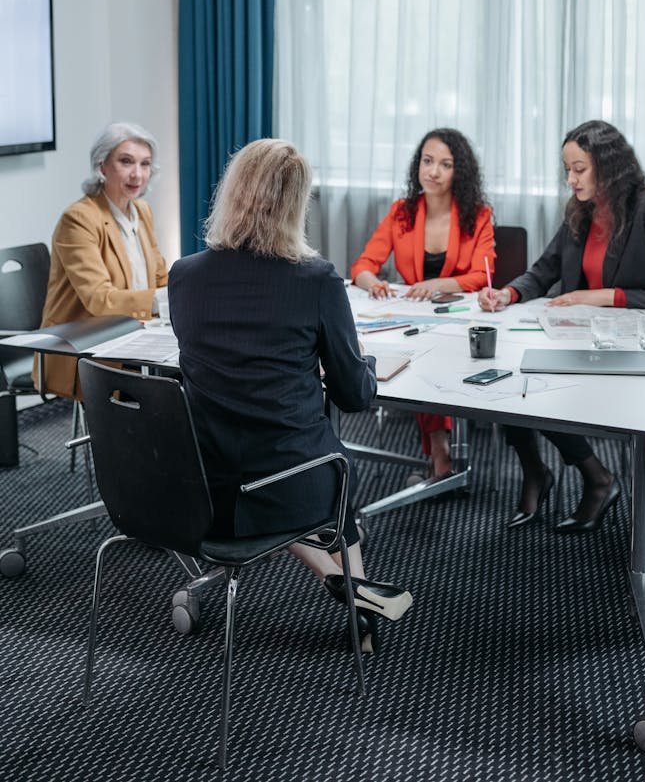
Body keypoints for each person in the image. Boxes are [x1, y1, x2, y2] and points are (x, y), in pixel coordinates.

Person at [168, 139, 413, 654]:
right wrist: (362, 362)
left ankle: (340, 585)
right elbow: (353, 397)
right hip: (292, 484)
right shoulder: (317, 280)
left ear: (231, 193)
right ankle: (361, 624)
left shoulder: (184, 276)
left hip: (201, 484)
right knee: (327, 477)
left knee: (269, 464)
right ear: (296, 204)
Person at [478, 119, 645, 534]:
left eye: (579, 169)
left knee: (537, 387)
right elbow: (543, 270)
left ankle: (594, 477)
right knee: (512, 382)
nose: (570, 179)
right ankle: (544, 472)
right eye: (567, 169)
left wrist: (604, 295)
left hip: (639, 350)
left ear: (608, 165)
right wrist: (507, 294)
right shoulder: (580, 210)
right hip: (587, 339)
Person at [351, 128, 495, 476]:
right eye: (427, 161)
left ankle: (440, 454)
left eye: (445, 165)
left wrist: (434, 284)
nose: (433, 171)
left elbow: (480, 275)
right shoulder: (402, 211)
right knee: (421, 357)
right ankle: (441, 451)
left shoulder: (478, 215)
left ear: (459, 171)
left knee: (436, 356)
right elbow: (363, 266)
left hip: (459, 316)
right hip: (414, 316)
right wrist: (373, 283)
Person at [37, 122, 169, 398]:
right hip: (85, 345)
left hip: (136, 333)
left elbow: (159, 276)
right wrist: (163, 298)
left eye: (145, 164)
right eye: (126, 162)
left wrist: (181, 292)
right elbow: (99, 299)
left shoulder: (141, 211)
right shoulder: (79, 219)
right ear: (101, 166)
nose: (137, 174)